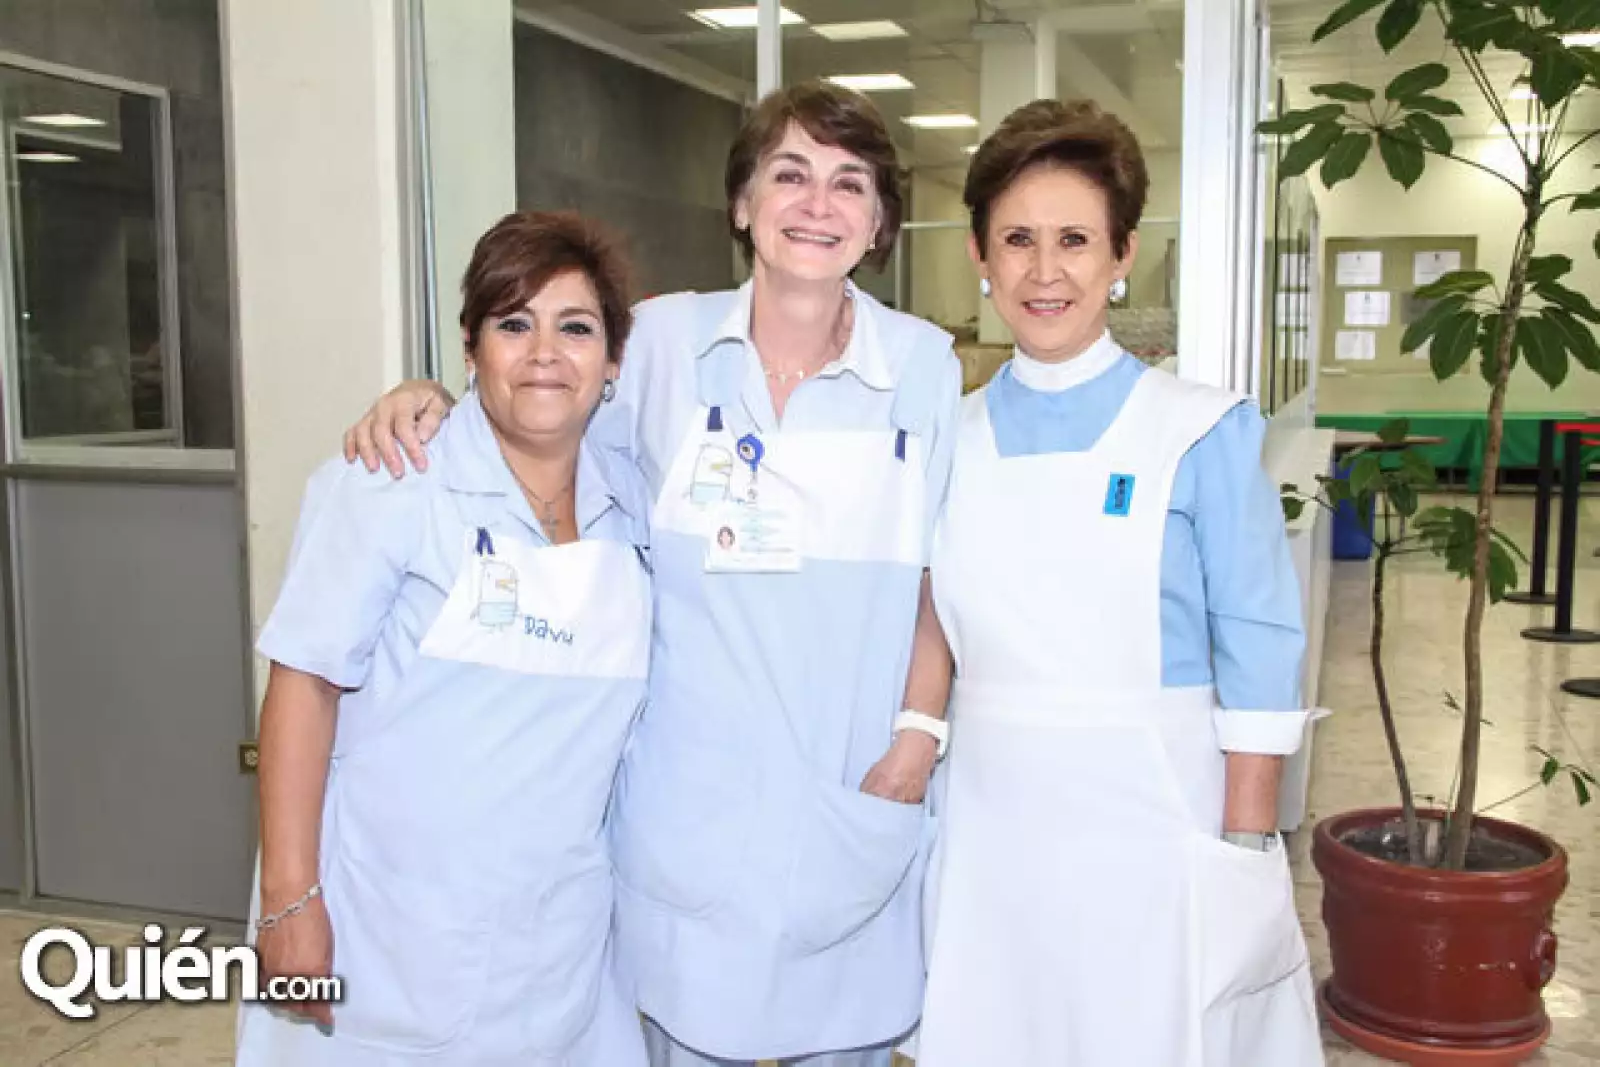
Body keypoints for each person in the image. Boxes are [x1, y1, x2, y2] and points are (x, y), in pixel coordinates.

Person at [341, 82, 962, 1067]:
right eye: (788, 174)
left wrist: (914, 746)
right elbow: (543, 413)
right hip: (685, 801)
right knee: (679, 1035)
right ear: (743, 204)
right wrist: (428, 395)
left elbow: (940, 575)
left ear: (881, 219)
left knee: (843, 1039)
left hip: (853, 787)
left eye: (849, 184)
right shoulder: (667, 341)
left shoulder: (923, 364)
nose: (817, 204)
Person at [908, 98, 1325, 1065]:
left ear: (1122, 253)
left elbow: (1260, 645)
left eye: (1074, 240)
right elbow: (932, 613)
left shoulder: (1199, 429)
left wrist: (1244, 850)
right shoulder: (950, 438)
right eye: (1016, 239)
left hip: (1158, 821)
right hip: (992, 822)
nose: (1044, 272)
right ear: (979, 252)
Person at [236, 211, 652, 1066]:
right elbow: (303, 685)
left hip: (561, 943)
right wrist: (287, 899)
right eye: (512, 324)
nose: (544, 351)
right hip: (386, 931)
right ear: (470, 351)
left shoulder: (633, 504)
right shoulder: (391, 483)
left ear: (612, 362)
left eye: (576, 327)